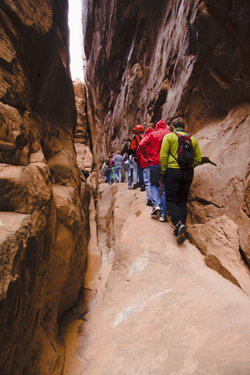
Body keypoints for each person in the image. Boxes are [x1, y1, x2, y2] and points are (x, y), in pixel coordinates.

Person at [160, 117, 201, 243]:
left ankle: (178, 224)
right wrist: (189, 167)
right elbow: (198, 159)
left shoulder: (169, 137)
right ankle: (182, 226)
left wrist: (163, 171)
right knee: (182, 200)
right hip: (187, 172)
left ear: (172, 127)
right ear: (184, 126)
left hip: (172, 171)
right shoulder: (192, 139)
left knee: (171, 199)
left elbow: (163, 155)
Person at [139, 119, 171, 222]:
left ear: (157, 126)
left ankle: (156, 204)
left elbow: (141, 145)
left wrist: (146, 157)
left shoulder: (152, 134)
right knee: (165, 188)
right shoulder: (170, 134)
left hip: (154, 163)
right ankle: (163, 214)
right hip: (167, 164)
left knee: (153, 184)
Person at [137, 127, 154, 206]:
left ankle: (149, 198)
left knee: (147, 182)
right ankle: (155, 198)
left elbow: (138, 152)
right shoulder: (155, 139)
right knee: (154, 182)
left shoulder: (143, 141)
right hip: (154, 163)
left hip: (145, 164)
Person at [128, 124, 145, 190]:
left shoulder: (135, 137)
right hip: (146, 155)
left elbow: (133, 147)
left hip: (137, 155)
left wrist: (131, 154)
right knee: (145, 169)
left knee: (137, 169)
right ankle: (145, 182)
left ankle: (138, 183)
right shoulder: (145, 135)